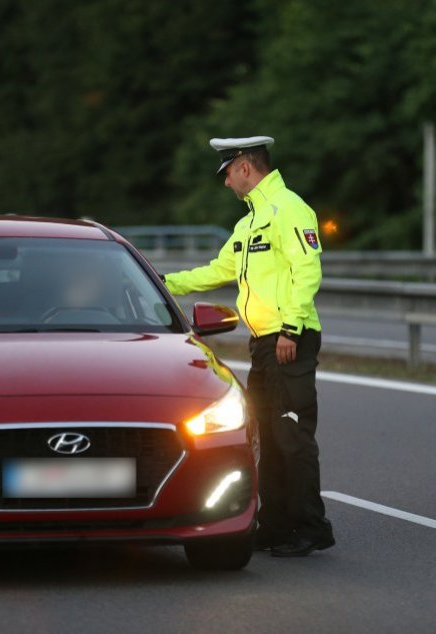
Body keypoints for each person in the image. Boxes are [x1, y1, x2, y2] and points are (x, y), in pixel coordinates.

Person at [163, 136, 335, 557]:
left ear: (244, 166)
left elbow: (307, 270)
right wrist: (160, 284)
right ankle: (276, 525)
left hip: (288, 339)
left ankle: (312, 527)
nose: (224, 184)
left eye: (226, 174)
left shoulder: (288, 208)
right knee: (270, 440)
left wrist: (290, 330)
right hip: (264, 344)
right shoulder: (249, 223)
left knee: (293, 436)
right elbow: (217, 270)